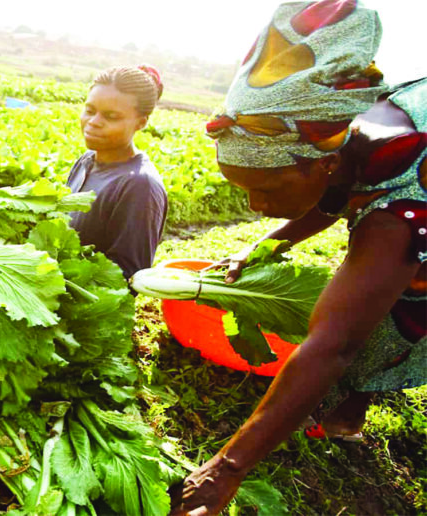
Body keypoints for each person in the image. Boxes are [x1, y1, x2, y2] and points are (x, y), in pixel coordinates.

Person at [168, 1, 425, 514]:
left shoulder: (395, 210)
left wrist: (225, 470)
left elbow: (333, 344)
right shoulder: (339, 141)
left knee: (406, 304)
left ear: (322, 166)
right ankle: (348, 406)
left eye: (264, 191)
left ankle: (348, 414)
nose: (255, 207)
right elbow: (331, 197)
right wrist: (262, 246)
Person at [66, 65, 168, 279]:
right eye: (90, 110)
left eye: (111, 116)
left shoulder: (140, 185)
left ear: (141, 123)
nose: (93, 122)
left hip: (84, 309)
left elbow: (127, 276)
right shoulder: (86, 161)